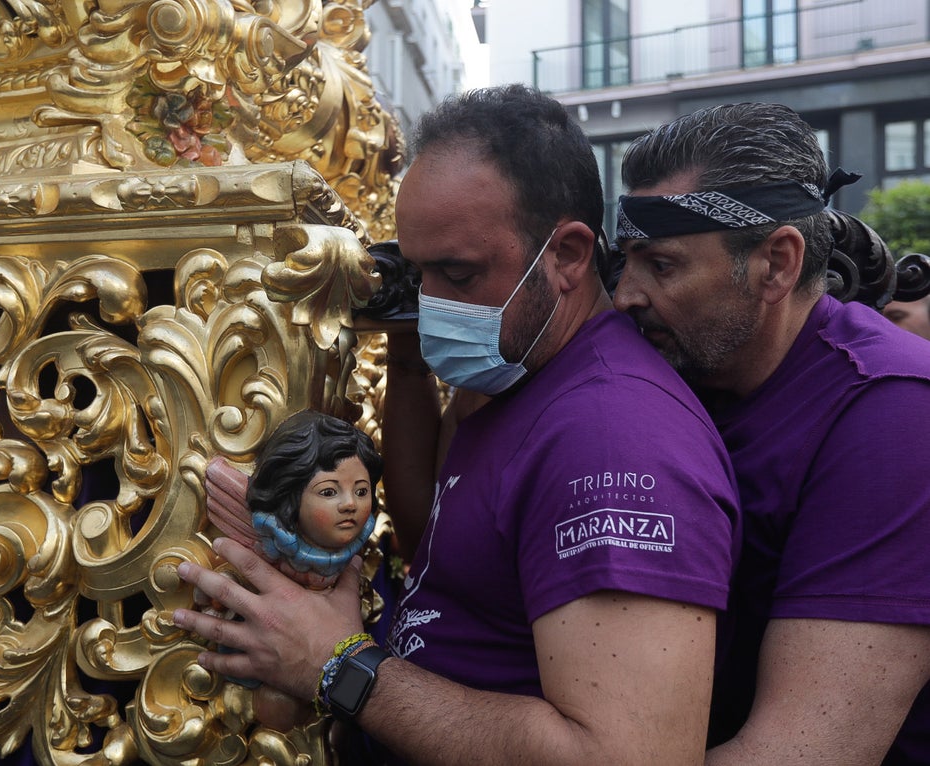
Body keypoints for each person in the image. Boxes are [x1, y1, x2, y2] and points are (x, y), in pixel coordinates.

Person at [171, 84, 740, 765]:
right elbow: (441, 544)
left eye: (458, 274)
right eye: (418, 274)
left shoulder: (613, 440)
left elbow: (627, 756)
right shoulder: (514, 375)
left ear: (566, 255)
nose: (431, 305)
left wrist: (336, 665)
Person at [611, 101, 930, 765]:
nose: (626, 296)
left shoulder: (894, 413)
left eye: (661, 265)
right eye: (625, 264)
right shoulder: (682, 368)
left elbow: (806, 752)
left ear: (777, 264)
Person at [205, 409, 382, 590]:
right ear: (291, 498)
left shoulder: (355, 544)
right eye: (329, 492)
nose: (350, 504)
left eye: (361, 492)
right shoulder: (275, 539)